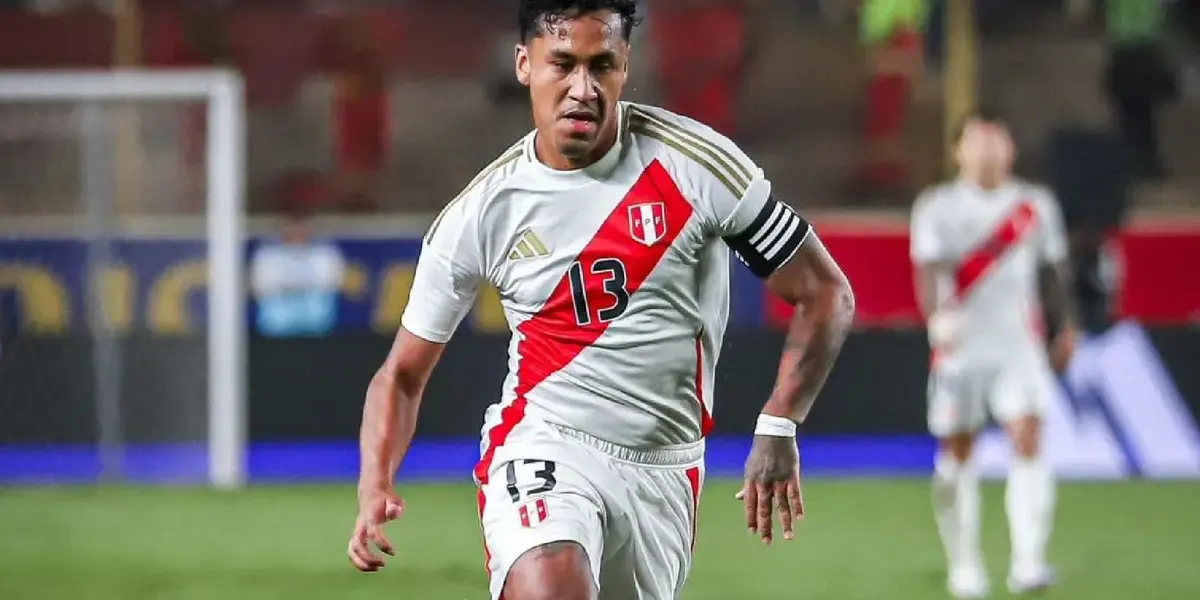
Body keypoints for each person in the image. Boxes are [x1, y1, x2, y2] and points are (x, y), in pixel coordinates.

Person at [346, 2, 857, 599]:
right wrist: (373, 481)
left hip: (665, 472)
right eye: (561, 65)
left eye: (601, 66)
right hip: (545, 442)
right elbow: (401, 375)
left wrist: (779, 424)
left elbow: (825, 292)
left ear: (625, 66)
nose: (581, 89)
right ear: (523, 64)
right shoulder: (483, 211)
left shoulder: (697, 165)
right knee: (555, 584)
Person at [909, 109, 1078, 599]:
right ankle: (965, 566)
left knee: (1028, 438)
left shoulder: (1035, 204)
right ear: (958, 150)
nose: (989, 150)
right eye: (979, 141)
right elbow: (928, 271)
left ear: (1012, 148)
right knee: (959, 451)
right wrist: (936, 318)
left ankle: (1028, 564)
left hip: (1019, 349)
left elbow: (1053, 271)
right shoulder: (937, 207)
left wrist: (1064, 327)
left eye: (997, 141)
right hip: (961, 351)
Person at [250, 211, 346, 337]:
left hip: (316, 324)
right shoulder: (267, 256)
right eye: (292, 229)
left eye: (300, 229)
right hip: (277, 326)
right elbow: (260, 285)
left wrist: (296, 284)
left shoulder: (324, 255)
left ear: (308, 230)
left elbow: (333, 282)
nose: (296, 234)